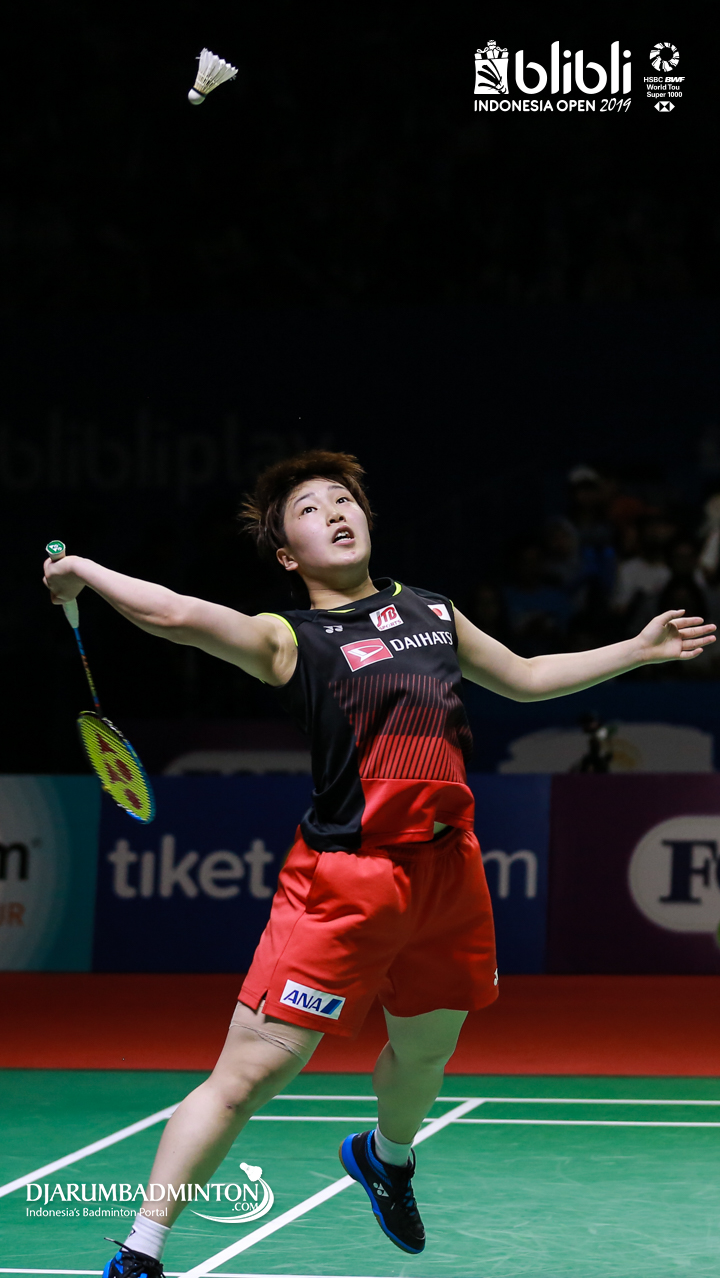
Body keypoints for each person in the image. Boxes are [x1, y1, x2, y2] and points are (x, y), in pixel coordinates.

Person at [43, 450, 716, 1277]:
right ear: (286, 556)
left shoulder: (433, 611)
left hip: (448, 872)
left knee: (427, 1053)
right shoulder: (289, 639)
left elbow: (527, 676)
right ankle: (141, 1250)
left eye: (343, 499)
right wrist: (82, 572)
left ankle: (386, 1158)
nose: (334, 512)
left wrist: (637, 651)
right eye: (309, 509)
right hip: (344, 881)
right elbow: (178, 614)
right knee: (250, 1074)